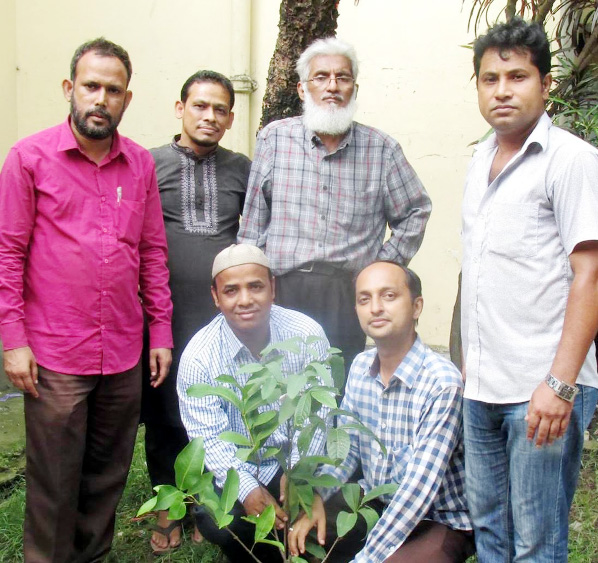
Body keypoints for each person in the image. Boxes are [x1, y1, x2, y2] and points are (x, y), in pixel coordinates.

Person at [0, 38, 173, 562]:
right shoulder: (28, 159)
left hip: (122, 351)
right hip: (55, 355)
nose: (101, 98)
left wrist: (159, 333)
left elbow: (151, 253)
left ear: (127, 99)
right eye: (91, 86)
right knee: (54, 483)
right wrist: (13, 340)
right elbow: (7, 254)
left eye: (113, 90)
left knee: (107, 477)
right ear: (69, 88)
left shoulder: (140, 164)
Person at [461, 18, 598, 562]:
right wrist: (471, 360)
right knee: (490, 532)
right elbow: (478, 270)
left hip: (541, 390)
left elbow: (590, 274)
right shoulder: (478, 161)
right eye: (489, 78)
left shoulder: (571, 161)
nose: (501, 90)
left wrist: (560, 386)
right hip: (483, 388)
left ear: (545, 84)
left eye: (517, 76)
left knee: (537, 543)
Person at [238, 37, 431, 374]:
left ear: (354, 88)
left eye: (342, 78)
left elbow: (416, 210)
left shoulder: (381, 149)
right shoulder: (274, 139)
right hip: (284, 290)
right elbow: (253, 225)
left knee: (337, 389)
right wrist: (251, 287)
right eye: (321, 77)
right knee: (280, 387)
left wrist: (380, 267)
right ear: (302, 89)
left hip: (347, 295)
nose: (332, 86)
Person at [288, 261, 474, 563]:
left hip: (438, 519)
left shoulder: (442, 383)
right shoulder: (361, 366)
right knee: (301, 530)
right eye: (365, 299)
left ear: (416, 307)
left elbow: (417, 493)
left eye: (389, 296)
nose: (376, 307)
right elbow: (346, 451)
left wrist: (366, 560)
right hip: (376, 502)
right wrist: (319, 498)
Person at [142, 70, 250, 554]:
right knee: (164, 407)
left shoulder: (241, 168)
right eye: (201, 106)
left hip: (222, 312)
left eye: (220, 109)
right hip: (163, 310)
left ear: (230, 118)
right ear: (180, 107)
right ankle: (168, 504)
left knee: (220, 401)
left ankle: (214, 497)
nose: (210, 116)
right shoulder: (147, 165)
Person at [177, 243, 330, 561]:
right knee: (216, 520)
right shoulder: (199, 358)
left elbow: (320, 413)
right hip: (242, 466)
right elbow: (210, 441)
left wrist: (300, 470)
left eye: (255, 287)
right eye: (231, 290)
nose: (245, 300)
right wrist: (247, 489)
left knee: (339, 493)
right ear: (216, 297)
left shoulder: (305, 335)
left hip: (295, 463)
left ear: (272, 288)